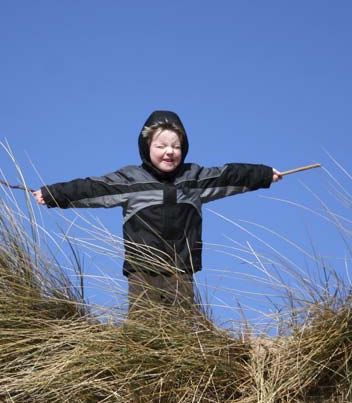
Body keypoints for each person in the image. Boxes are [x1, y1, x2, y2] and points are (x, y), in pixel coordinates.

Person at [33, 110, 283, 312]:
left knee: (181, 325)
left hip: (181, 268)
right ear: (146, 147)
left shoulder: (194, 179)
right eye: (161, 145)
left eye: (176, 146)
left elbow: (230, 174)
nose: (169, 151)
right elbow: (92, 188)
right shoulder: (130, 180)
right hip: (142, 269)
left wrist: (263, 175)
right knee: (145, 322)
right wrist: (54, 194)